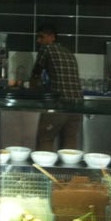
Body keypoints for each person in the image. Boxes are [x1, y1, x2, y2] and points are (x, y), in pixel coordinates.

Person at [28, 22, 83, 151]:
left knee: (45, 137)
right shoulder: (68, 52)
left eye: (41, 37)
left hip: (60, 103)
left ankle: (44, 164)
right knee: (70, 138)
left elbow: (36, 73)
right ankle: (69, 165)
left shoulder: (46, 49)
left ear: (52, 37)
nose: (38, 40)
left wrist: (32, 90)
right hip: (78, 104)